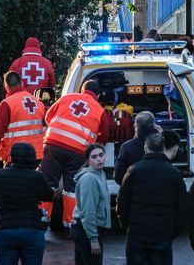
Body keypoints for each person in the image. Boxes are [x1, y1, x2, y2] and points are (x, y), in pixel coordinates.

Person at [39, 80, 110, 228]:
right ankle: (72, 225)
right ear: (98, 95)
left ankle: (40, 220)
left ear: (82, 89)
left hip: (53, 146)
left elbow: (47, 117)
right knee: (71, 189)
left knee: (47, 184)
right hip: (77, 152)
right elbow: (103, 137)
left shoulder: (67, 98)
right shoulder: (100, 111)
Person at [118, 131, 188, 264]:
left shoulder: (133, 171)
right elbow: (182, 206)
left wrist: (126, 226)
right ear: (163, 148)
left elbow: (122, 202)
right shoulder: (174, 173)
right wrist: (174, 230)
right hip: (163, 233)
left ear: (145, 148)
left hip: (137, 233)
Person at [0, 143, 53, 265]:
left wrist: (2, 194)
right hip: (32, 231)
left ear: (12, 156)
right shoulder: (37, 177)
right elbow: (49, 196)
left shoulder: (1, 174)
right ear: (33, 157)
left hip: (6, 230)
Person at [0, 71, 46, 171]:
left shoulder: (7, 104)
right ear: (22, 82)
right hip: (35, 155)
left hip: (15, 155)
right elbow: (44, 130)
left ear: (6, 86)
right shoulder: (38, 103)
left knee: (11, 185)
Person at [71, 143, 111, 265]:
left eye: (101, 155)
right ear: (88, 161)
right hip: (86, 230)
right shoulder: (89, 179)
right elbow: (88, 211)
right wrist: (93, 238)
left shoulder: (100, 174)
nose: (99, 159)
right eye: (94, 157)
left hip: (86, 229)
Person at [114, 111, 161, 185]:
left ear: (136, 126)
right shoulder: (161, 144)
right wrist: (161, 135)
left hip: (134, 191)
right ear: (154, 125)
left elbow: (118, 176)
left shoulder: (127, 147)